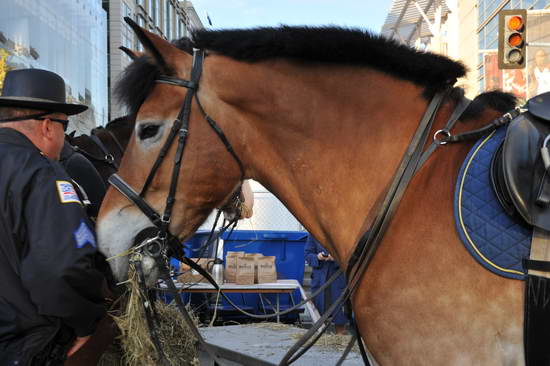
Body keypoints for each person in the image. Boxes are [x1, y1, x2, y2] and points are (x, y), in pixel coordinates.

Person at [0, 69, 106, 365]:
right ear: (48, 126)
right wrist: (86, 322)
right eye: (64, 125)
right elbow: (63, 266)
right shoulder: (43, 174)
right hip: (24, 344)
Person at [304, 234, 348, 335]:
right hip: (319, 279)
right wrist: (317, 257)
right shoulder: (313, 234)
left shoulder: (341, 232)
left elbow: (349, 254)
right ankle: (321, 336)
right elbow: (307, 254)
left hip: (338, 278)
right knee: (319, 311)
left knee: (339, 310)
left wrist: (336, 258)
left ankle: (340, 334)